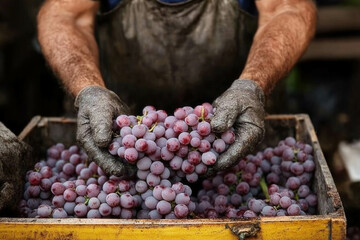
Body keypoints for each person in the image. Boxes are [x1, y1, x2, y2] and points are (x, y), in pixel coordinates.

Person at [36, 0, 317, 177]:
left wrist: (252, 85)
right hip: (118, 135)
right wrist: (88, 90)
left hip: (238, 132)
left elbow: (290, 7)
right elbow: (65, 15)